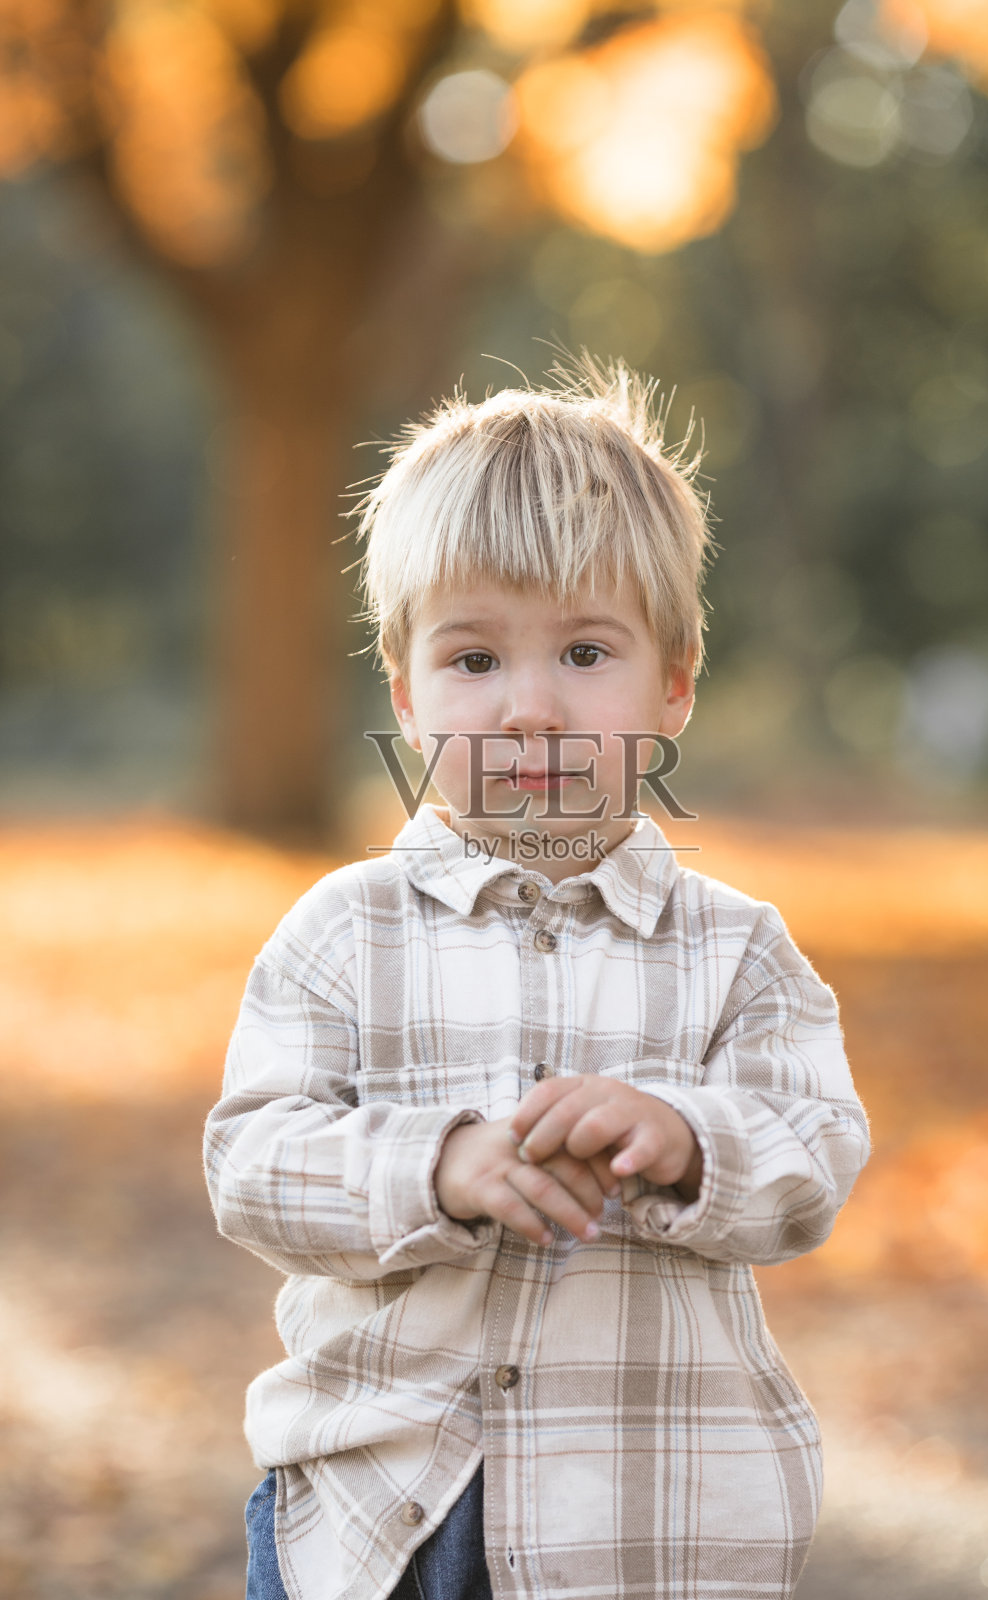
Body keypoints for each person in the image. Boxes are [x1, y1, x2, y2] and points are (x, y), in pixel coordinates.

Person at [204, 359, 870, 1600]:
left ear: (671, 682)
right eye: (472, 661)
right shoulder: (341, 934)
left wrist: (681, 1136)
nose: (529, 709)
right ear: (404, 695)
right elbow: (251, 1163)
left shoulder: (734, 949)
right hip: (378, 1517)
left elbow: (813, 1151)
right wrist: (432, 1163)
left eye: (581, 651)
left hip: (642, 1524)